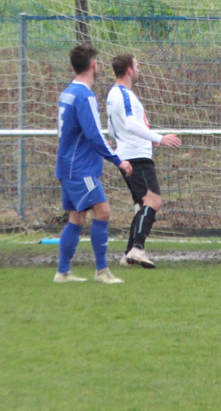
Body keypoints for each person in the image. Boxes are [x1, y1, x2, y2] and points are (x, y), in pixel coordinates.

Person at [54, 44, 132, 284]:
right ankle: (102, 272)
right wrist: (118, 160)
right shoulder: (84, 95)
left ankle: (63, 272)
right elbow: (94, 136)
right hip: (80, 168)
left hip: (67, 165)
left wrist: (97, 141)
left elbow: (81, 133)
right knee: (103, 211)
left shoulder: (68, 92)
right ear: (93, 65)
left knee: (76, 218)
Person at [106, 54, 181, 269]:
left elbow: (113, 129)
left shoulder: (113, 94)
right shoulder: (125, 95)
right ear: (129, 70)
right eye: (137, 66)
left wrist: (146, 139)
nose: (139, 69)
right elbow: (130, 124)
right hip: (136, 157)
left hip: (128, 153)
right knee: (153, 201)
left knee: (142, 205)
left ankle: (129, 253)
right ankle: (137, 249)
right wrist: (160, 138)